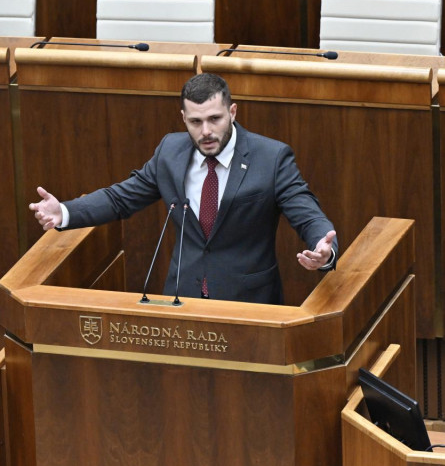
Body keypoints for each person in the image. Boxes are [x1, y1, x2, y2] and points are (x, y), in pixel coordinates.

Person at [29, 72, 337, 304]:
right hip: (181, 299)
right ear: (183, 119)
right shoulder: (170, 152)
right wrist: (65, 212)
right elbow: (121, 198)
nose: (206, 132)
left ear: (232, 112)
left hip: (247, 303)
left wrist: (325, 250)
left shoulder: (270, 157)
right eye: (195, 122)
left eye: (215, 119)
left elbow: (307, 213)